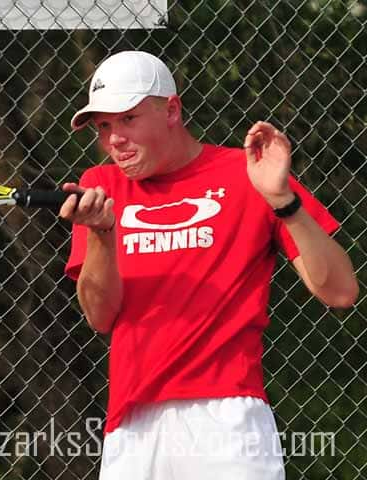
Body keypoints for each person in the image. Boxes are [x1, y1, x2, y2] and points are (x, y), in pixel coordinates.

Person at [59, 51, 358, 479]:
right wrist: (104, 234)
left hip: (228, 415)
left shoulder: (248, 173)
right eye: (103, 126)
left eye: (128, 119)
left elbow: (341, 291)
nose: (114, 140)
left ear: (172, 110)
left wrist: (282, 202)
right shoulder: (101, 186)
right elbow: (100, 316)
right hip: (133, 420)